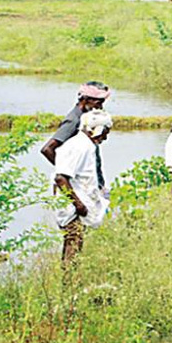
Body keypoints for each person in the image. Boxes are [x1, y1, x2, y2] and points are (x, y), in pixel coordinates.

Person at [53, 109, 113, 265]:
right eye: (105, 132)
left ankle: (70, 282)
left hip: (78, 204)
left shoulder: (85, 144)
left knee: (74, 244)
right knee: (73, 245)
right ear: (98, 130)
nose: (105, 137)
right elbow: (61, 178)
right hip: (74, 208)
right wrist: (79, 205)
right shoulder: (80, 146)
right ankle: (69, 284)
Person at [41, 81, 111, 189]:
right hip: (80, 187)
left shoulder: (88, 118)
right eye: (98, 103)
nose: (100, 107)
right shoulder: (74, 120)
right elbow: (47, 149)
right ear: (86, 99)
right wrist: (69, 172)